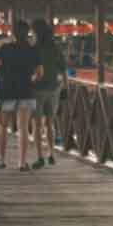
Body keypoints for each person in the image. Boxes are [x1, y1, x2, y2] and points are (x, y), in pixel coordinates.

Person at [0, 20, 40, 171]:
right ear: (27, 34)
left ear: (13, 34)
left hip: (6, 92)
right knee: (23, 128)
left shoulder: (5, 48)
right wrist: (31, 80)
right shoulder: (32, 50)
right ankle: (22, 163)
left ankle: (1, 160)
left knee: (2, 126)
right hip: (26, 92)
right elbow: (39, 73)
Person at [30, 17, 65, 168]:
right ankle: (51, 154)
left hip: (37, 89)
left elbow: (31, 70)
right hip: (54, 88)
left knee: (37, 124)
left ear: (36, 32)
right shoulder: (55, 48)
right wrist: (65, 89)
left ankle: (39, 157)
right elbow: (63, 70)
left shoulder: (33, 49)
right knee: (50, 122)